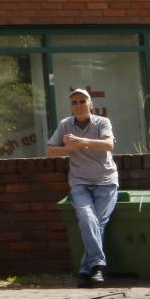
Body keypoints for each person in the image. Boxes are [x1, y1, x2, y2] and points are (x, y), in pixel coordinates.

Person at [47, 87, 118, 287]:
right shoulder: (65, 124)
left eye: (82, 101)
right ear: (71, 106)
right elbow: (51, 151)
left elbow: (109, 145)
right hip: (79, 182)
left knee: (98, 223)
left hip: (105, 181)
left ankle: (86, 270)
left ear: (90, 104)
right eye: (74, 102)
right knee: (87, 218)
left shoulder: (102, 122)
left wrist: (82, 142)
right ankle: (98, 266)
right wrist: (68, 148)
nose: (78, 105)